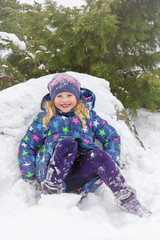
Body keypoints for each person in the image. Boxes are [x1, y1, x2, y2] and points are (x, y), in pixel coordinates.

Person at [18, 73, 151, 217]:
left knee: (97, 154)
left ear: (77, 96)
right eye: (59, 96)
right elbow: (27, 145)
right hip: (53, 174)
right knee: (68, 144)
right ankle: (51, 191)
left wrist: (110, 161)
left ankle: (126, 198)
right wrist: (29, 174)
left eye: (69, 95)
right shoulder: (45, 118)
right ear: (52, 98)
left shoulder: (88, 116)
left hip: (80, 176)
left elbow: (111, 136)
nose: (65, 100)